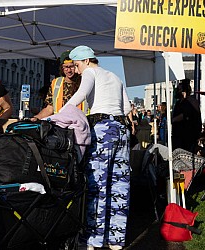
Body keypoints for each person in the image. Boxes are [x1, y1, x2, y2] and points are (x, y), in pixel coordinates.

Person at [65, 45, 131, 250]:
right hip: (122, 129)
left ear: (85, 61)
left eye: (76, 65)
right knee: (119, 185)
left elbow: (81, 95)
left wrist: (61, 113)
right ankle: (116, 240)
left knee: (97, 184)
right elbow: (128, 108)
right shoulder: (114, 76)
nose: (75, 70)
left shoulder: (90, 72)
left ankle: (93, 240)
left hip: (102, 129)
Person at [31, 50, 87, 121]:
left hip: (81, 124)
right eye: (66, 67)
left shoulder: (85, 81)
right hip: (60, 125)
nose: (69, 70)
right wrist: (37, 118)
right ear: (62, 68)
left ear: (76, 66)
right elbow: (50, 108)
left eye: (71, 67)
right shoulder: (56, 83)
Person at [171, 79, 202, 152]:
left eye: (179, 89)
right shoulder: (179, 102)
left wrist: (173, 120)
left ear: (183, 91)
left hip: (188, 135)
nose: (177, 91)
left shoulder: (191, 101)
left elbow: (185, 115)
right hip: (178, 134)